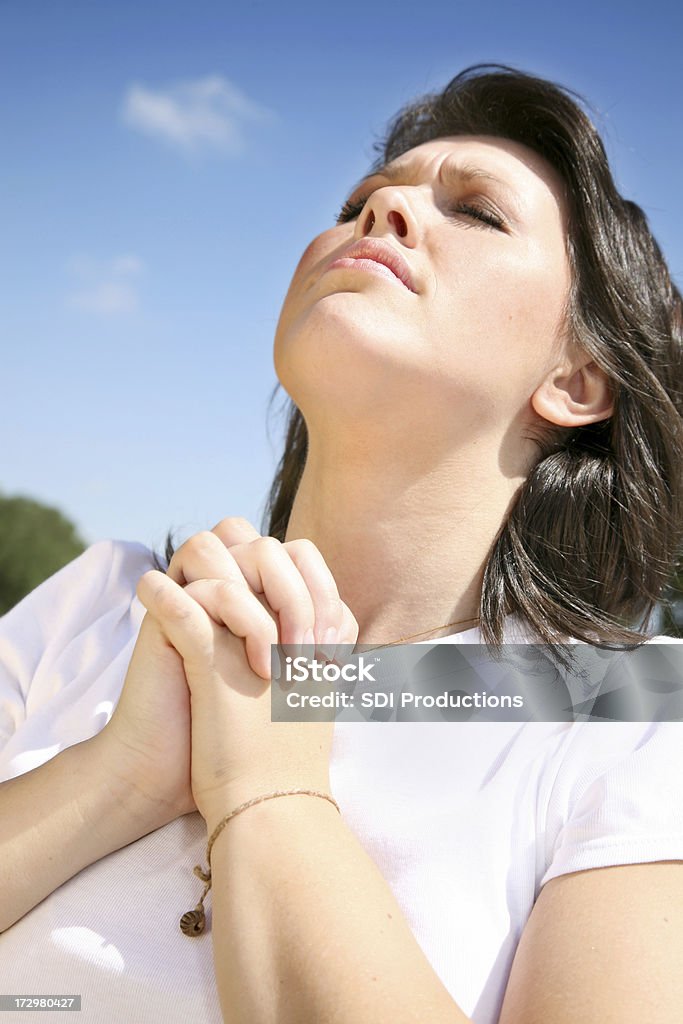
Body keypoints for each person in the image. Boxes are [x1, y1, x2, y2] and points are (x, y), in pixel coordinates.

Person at [1, 63, 682, 1024]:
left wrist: (266, 787)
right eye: (362, 198)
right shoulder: (100, 603)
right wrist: (117, 775)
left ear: (577, 380)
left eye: (477, 212)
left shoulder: (637, 713)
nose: (386, 210)